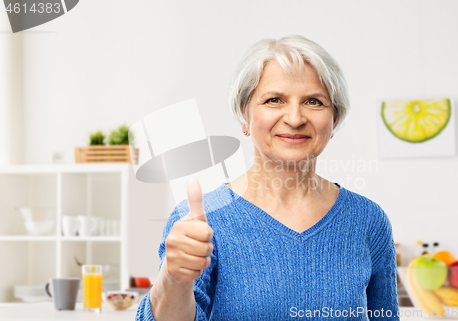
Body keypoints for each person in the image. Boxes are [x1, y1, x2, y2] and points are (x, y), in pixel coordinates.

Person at [136, 35, 399, 321]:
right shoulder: (199, 221)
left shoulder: (368, 220)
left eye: (314, 101)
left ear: (333, 120)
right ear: (245, 117)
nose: (295, 118)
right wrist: (174, 279)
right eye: (274, 100)